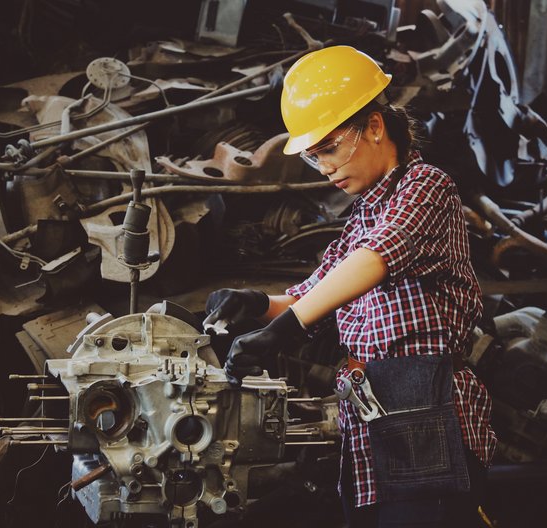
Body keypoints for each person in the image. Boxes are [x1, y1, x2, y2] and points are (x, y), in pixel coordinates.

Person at [203, 45, 497, 528]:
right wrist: (255, 305)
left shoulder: (426, 187)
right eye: (315, 156)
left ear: (375, 127)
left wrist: (288, 329)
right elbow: (311, 294)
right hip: (370, 415)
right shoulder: (361, 217)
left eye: (330, 148)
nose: (324, 168)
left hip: (426, 410)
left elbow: (376, 258)